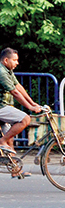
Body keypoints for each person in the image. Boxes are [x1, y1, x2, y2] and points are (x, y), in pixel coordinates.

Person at [0, 48, 42, 176]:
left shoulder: (8, 70)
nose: (17, 63)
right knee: (25, 119)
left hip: (3, 106)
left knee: (10, 139)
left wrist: (33, 103)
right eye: (15, 60)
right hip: (1, 107)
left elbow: (19, 87)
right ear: (6, 60)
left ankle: (15, 171)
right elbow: (15, 93)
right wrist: (30, 108)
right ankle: (1, 141)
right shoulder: (1, 72)